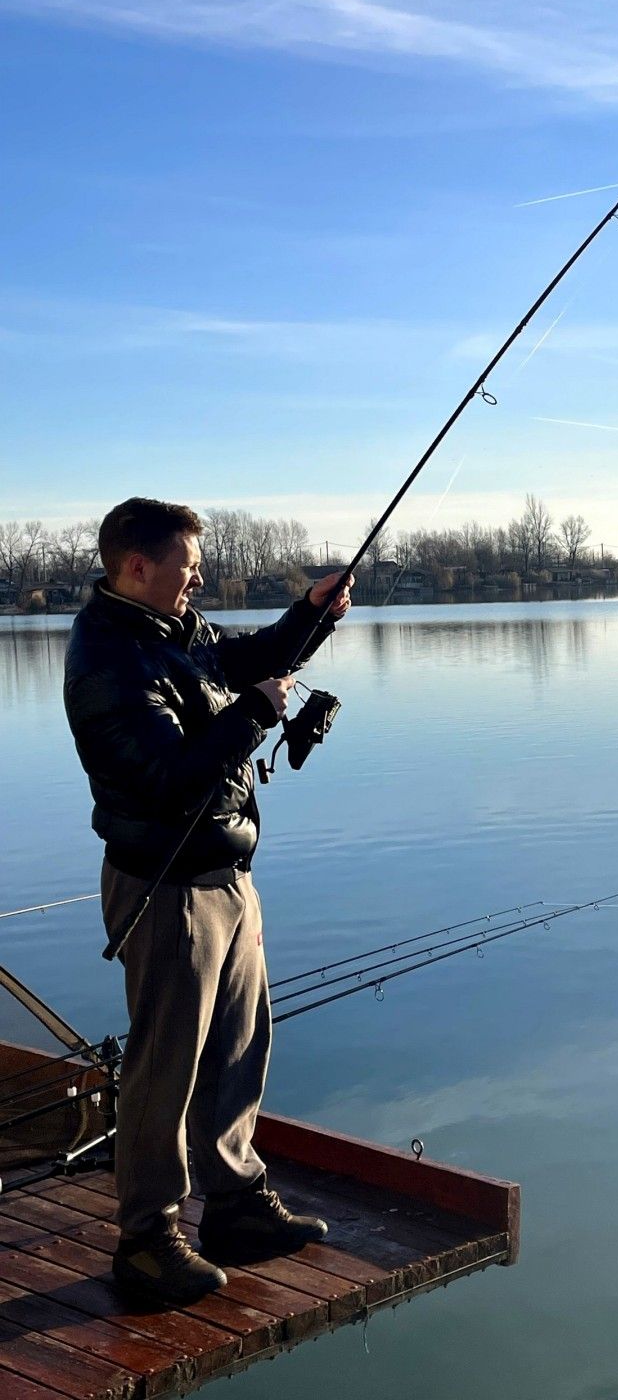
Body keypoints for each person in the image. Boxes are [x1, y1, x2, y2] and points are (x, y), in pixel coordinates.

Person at [63, 497, 353, 1305]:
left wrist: (311, 615)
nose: (197, 580)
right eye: (186, 568)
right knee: (167, 1064)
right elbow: (166, 777)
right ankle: (148, 1238)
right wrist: (259, 713)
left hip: (225, 874)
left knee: (239, 1043)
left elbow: (249, 655)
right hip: (164, 886)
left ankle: (233, 1203)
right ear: (137, 567)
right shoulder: (108, 661)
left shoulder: (171, 631)